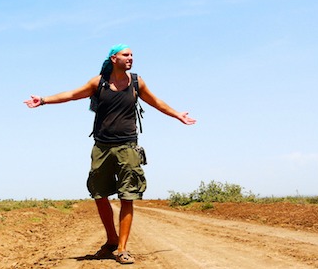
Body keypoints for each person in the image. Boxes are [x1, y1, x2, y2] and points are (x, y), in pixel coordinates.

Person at [23, 44, 196, 265]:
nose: (131, 58)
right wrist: (44, 100)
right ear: (114, 58)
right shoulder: (99, 82)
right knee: (99, 194)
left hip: (128, 147)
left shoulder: (136, 82)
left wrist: (177, 114)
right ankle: (112, 239)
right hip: (101, 147)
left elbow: (156, 102)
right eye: (126, 55)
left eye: (132, 55)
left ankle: (122, 248)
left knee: (128, 196)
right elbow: (73, 94)